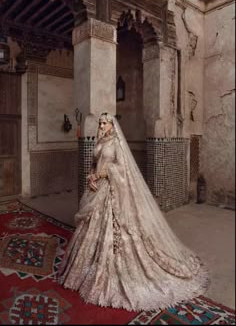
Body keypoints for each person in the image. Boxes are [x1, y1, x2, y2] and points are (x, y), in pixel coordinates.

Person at [58, 112, 210, 312]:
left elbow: (123, 169)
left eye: (105, 123)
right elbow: (95, 164)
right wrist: (91, 176)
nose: (102, 126)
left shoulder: (116, 143)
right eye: (100, 123)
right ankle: (86, 269)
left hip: (113, 189)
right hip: (97, 189)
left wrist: (105, 173)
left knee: (118, 231)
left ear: (112, 126)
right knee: (89, 226)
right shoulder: (100, 141)